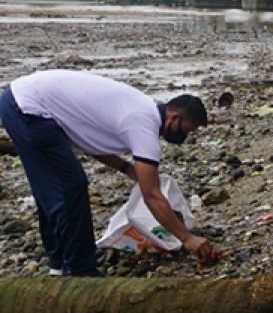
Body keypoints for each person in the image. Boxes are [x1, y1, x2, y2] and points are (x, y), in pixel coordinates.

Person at [0, 71, 217, 276]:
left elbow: (92, 143)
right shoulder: (143, 124)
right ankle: (79, 270)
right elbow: (151, 194)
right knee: (69, 187)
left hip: (23, 99)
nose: (188, 135)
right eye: (189, 129)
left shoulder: (142, 110)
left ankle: (60, 261)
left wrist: (127, 168)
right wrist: (186, 237)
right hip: (28, 107)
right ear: (174, 118)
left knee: (53, 188)